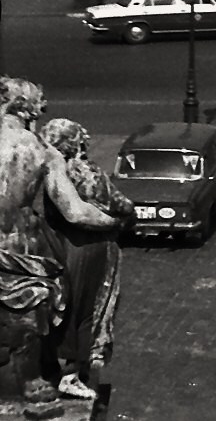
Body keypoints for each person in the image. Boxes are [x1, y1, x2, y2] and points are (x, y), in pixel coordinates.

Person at [0, 79, 121, 409]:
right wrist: (114, 221)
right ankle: (31, 381)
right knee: (32, 304)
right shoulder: (40, 150)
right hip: (18, 244)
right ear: (29, 111)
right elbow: (75, 212)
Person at [40, 118, 133, 400]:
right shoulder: (85, 172)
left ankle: (60, 368)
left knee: (65, 307)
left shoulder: (50, 172)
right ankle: (74, 373)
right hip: (91, 247)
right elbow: (121, 204)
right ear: (77, 143)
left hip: (62, 244)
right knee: (87, 309)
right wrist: (120, 218)